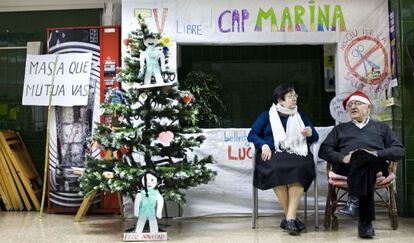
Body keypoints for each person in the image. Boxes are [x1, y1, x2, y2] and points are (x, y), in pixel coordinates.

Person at [318, 91, 405, 239]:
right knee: (360, 160)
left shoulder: (381, 128)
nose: (353, 106)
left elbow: (399, 150)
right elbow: (324, 150)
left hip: (376, 164)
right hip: (347, 167)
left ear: (368, 108)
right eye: (350, 105)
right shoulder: (340, 129)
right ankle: (365, 224)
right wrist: (343, 158)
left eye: (357, 103)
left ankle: (354, 201)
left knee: (363, 157)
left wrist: (376, 154)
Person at [247, 83, 319, 236]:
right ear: (280, 99)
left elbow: (315, 136)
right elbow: (252, 134)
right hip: (273, 151)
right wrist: (263, 144)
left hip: (297, 151)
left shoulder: (301, 116)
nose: (295, 98)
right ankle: (291, 218)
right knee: (276, 169)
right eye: (291, 96)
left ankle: (289, 218)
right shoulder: (266, 115)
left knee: (300, 168)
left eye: (295, 95)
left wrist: (309, 133)